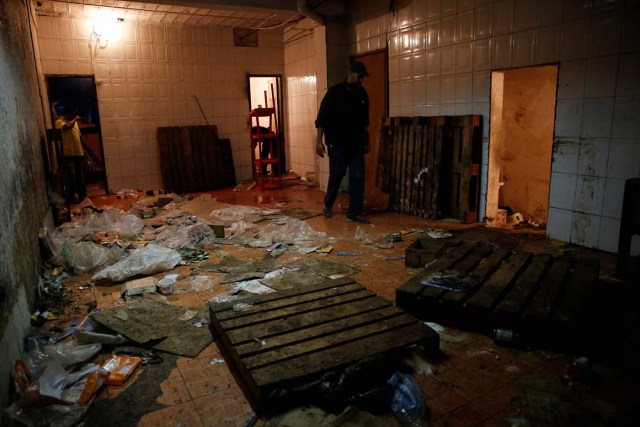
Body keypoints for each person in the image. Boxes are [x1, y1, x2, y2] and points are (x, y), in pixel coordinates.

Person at [315, 60, 371, 224]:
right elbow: (321, 119)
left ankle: (355, 212)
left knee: (357, 177)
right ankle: (328, 204)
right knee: (337, 175)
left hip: (357, 144)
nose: (361, 80)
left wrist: (368, 141)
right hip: (338, 143)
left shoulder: (362, 94)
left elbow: (364, 122)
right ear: (349, 74)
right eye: (359, 76)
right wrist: (319, 142)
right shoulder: (335, 92)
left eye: (363, 77)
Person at [55, 105, 86, 203]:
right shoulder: (60, 121)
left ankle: (82, 196)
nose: (74, 116)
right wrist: (76, 119)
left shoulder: (74, 122)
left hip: (79, 153)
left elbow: (79, 136)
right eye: (73, 114)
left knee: (80, 175)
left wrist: (83, 149)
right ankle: (71, 197)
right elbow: (67, 127)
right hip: (68, 154)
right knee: (71, 176)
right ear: (67, 114)